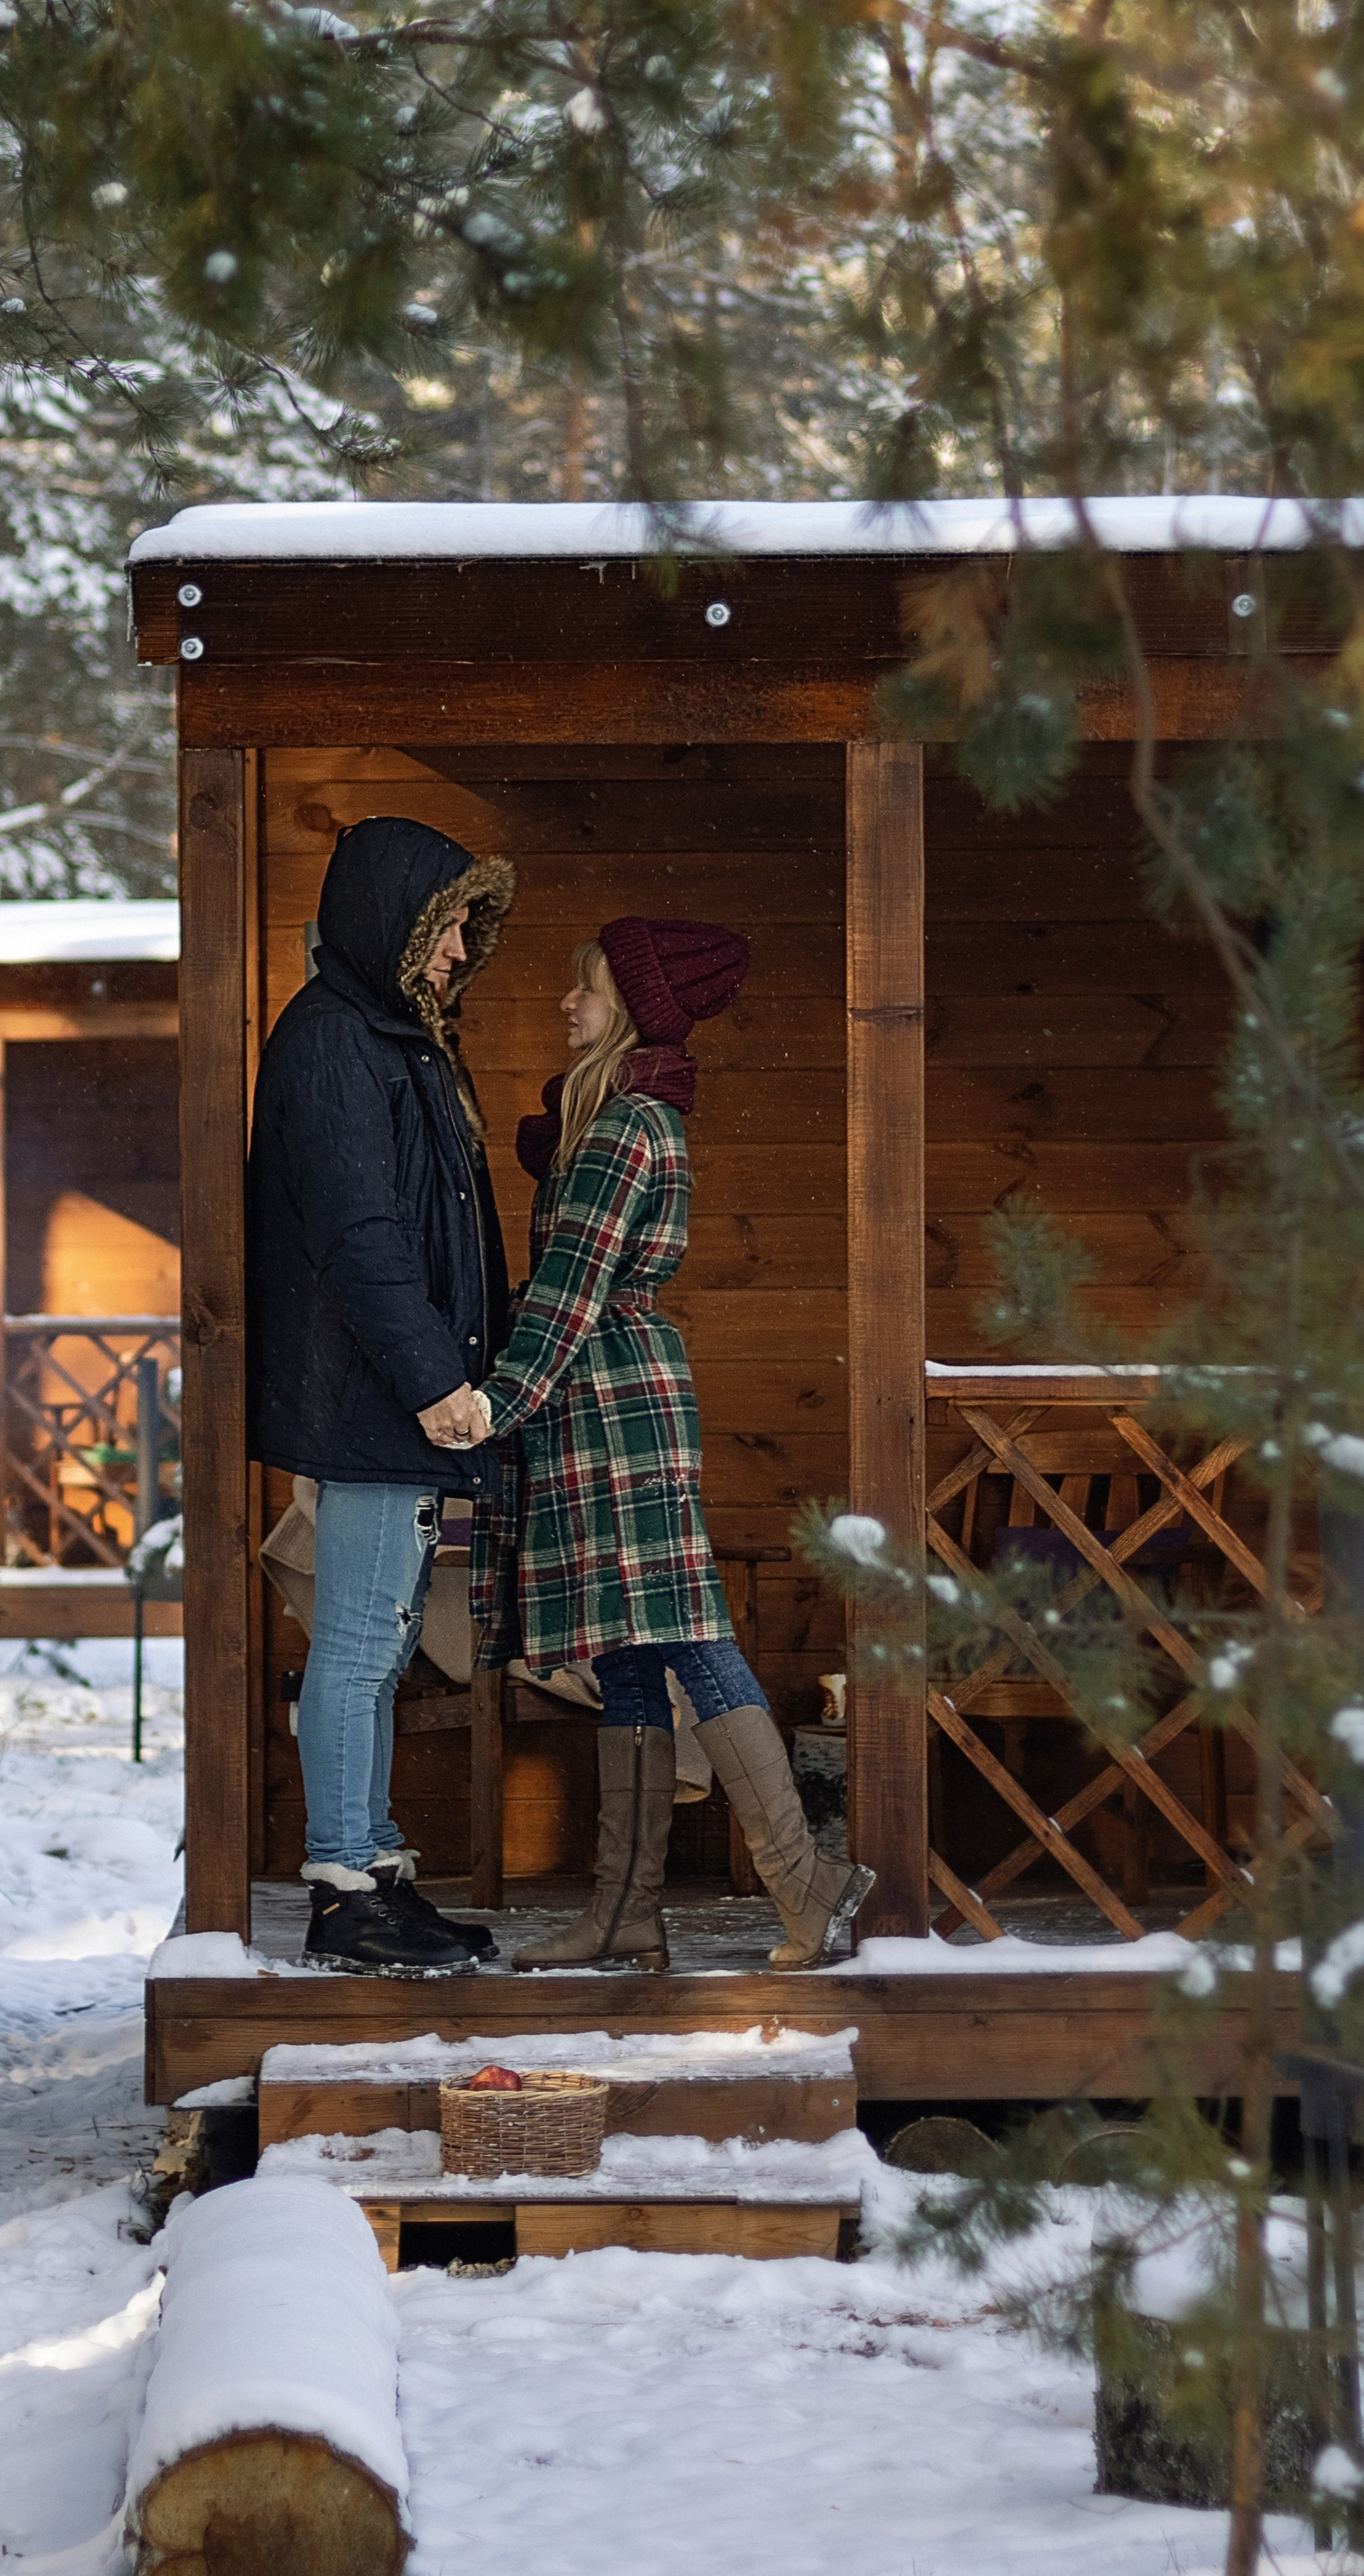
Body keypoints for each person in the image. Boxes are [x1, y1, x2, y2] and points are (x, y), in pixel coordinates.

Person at [456, 917, 875, 1972]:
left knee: (684, 1633)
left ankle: (806, 1885)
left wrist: (492, 1404)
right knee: (629, 1653)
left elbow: (567, 1293)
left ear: (635, 1007)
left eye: (586, 989)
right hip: (600, 1402)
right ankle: (624, 1912)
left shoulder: (624, 1129)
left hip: (611, 1408)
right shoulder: (615, 1122)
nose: (567, 1004)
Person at [248, 815, 516, 1975]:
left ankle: (375, 1871)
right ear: (395, 920)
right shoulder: (330, 1042)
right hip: (371, 1401)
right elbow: (363, 1237)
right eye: (450, 924)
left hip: (392, 1402)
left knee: (383, 1642)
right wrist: (434, 1381)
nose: (462, 950)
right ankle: (344, 1888)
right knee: (359, 1647)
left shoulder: (389, 1037)